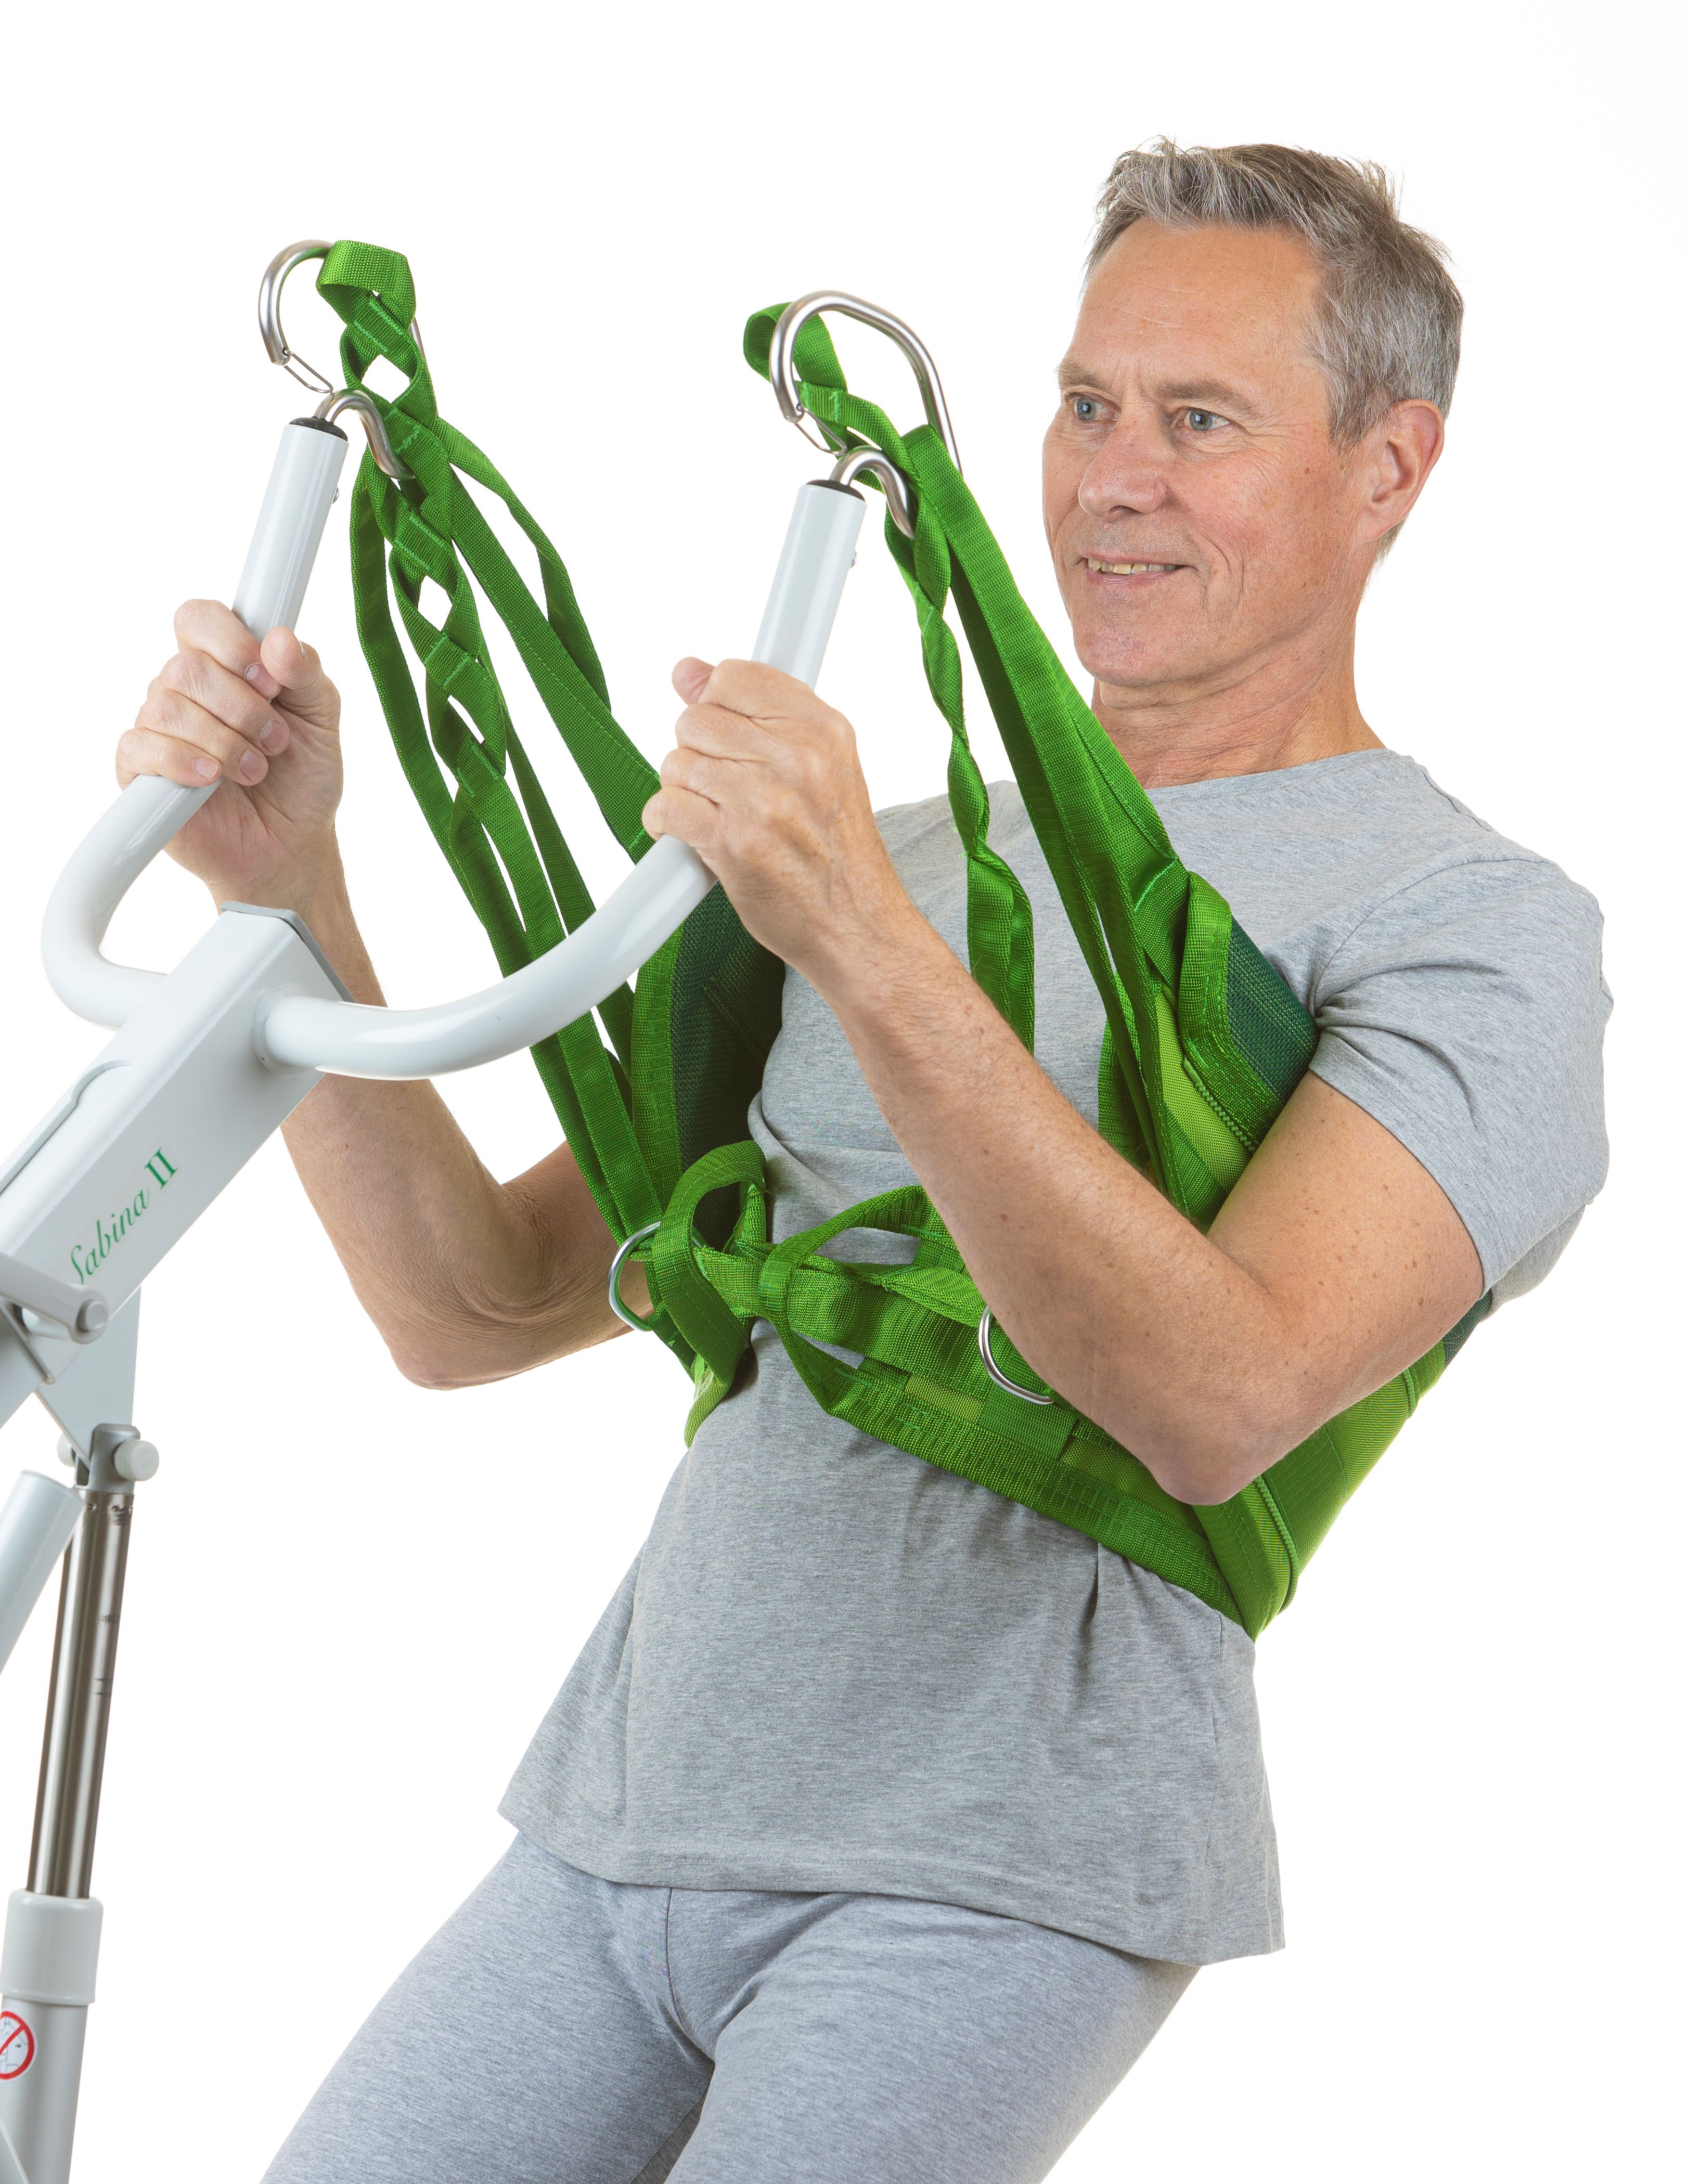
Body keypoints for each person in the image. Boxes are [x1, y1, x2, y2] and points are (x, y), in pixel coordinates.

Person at [119, 143, 1608, 2183]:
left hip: (997, 1869)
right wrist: (286, 895)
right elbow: (473, 1306)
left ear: (1388, 466)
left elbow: (1221, 1399)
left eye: (1199, 421)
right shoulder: (886, 853)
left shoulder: (1471, 924)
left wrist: (860, 937)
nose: (1110, 482)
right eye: (1083, 404)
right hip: (621, 1809)